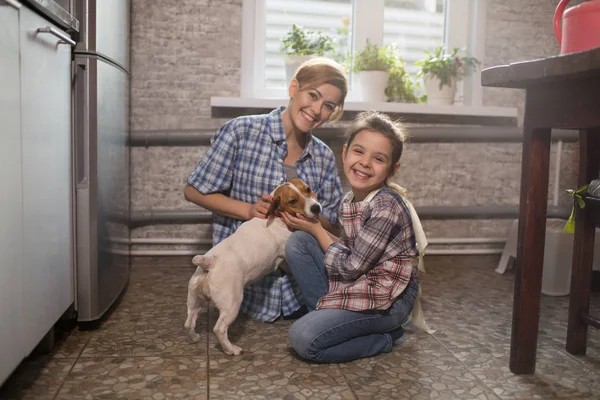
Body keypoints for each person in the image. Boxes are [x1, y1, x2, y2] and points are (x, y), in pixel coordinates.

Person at [184, 57, 348, 322]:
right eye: (313, 95)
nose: (317, 110)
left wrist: (308, 220)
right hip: (247, 290)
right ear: (294, 88)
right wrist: (248, 209)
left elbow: (333, 226)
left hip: (300, 296)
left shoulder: (324, 156)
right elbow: (193, 190)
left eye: (328, 106)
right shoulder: (241, 131)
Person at [281, 110, 424, 363]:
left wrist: (316, 228)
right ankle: (331, 322)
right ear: (345, 153)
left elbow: (349, 267)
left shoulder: (386, 206)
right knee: (299, 243)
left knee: (303, 339)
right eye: (359, 152)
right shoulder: (350, 199)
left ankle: (384, 338)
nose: (365, 162)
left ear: (393, 169)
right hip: (361, 282)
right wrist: (310, 229)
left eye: (378, 158)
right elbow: (348, 250)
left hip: (388, 300)